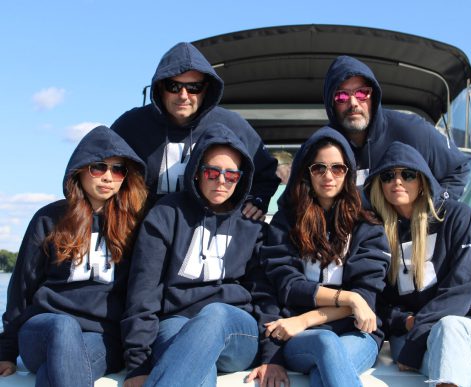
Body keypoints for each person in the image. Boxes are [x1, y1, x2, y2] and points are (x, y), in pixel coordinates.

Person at [122, 123, 287, 387]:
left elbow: (265, 295)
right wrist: (137, 365)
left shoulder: (251, 225)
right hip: (176, 323)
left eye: (231, 175)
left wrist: (273, 355)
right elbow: (143, 293)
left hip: (236, 330)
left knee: (214, 316)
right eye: (212, 172)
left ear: (241, 178)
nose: (222, 181)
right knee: (201, 370)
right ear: (196, 172)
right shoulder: (167, 214)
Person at [0, 126, 147, 387]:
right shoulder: (49, 218)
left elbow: (139, 297)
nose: (108, 177)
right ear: (80, 169)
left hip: (100, 337)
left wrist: (137, 363)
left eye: (118, 169)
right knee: (64, 327)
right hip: (43, 329)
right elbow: (22, 288)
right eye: (98, 167)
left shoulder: (134, 226)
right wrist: (6, 352)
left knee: (54, 373)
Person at [255, 127, 391, 387]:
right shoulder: (286, 222)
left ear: (348, 173)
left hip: (356, 334)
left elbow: (367, 296)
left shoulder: (368, 226)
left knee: (322, 375)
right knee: (325, 343)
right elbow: (287, 285)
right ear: (307, 172)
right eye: (319, 168)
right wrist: (349, 298)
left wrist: (306, 318)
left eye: (337, 168)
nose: (328, 176)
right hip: (302, 336)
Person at [364, 141, 471, 387]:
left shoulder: (456, 216)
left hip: (464, 330)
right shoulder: (375, 231)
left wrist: (418, 331)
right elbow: (376, 299)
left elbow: (462, 287)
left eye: (407, 174)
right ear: (379, 185)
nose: (397, 181)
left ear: (422, 180)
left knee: (447, 327)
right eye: (387, 175)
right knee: (453, 370)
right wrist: (405, 322)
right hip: (408, 336)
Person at [111, 41, 280, 220]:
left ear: (206, 89)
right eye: (174, 86)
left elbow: (266, 174)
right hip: (142, 236)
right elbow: (96, 168)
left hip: (208, 238)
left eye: (193, 88)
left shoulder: (231, 125)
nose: (183, 95)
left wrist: (257, 201)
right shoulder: (131, 125)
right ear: (160, 87)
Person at [323, 55, 470, 199]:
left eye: (362, 93)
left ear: (373, 96)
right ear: (331, 104)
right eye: (341, 96)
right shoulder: (321, 146)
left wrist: (433, 208)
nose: (353, 102)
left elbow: (459, 168)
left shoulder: (413, 131)